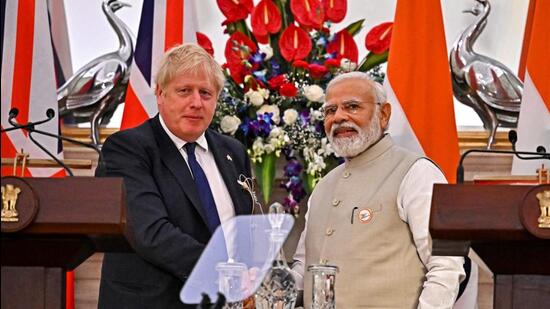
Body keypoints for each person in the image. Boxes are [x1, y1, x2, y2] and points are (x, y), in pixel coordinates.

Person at [96, 43, 253, 308]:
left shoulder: (233, 151)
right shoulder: (127, 149)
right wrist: (225, 274)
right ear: (160, 94)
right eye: (184, 91)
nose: (196, 102)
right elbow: (151, 233)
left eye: (205, 93)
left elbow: (240, 230)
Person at [291, 72, 465, 308]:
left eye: (352, 107)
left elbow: (446, 266)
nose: (339, 117)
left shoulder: (417, 172)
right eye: (330, 111)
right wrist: (269, 288)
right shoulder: (323, 186)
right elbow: (303, 267)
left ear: (383, 115)